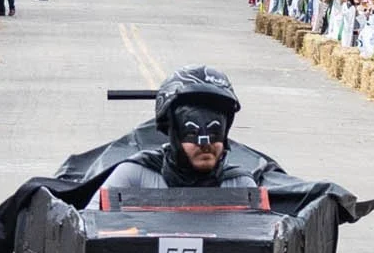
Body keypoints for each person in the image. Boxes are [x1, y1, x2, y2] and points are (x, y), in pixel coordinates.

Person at [100, 67, 259, 192]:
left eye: (214, 133)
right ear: (174, 134)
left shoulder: (240, 184)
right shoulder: (133, 176)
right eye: (192, 133)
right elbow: (92, 223)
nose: (205, 144)